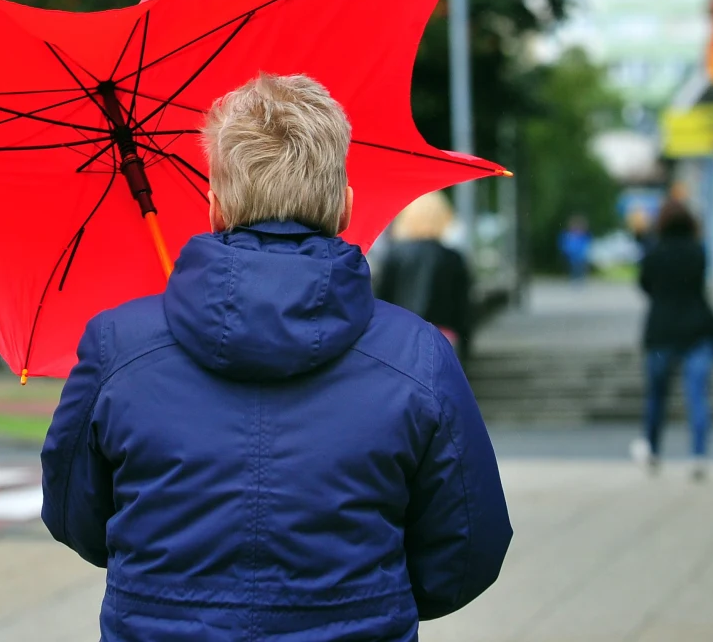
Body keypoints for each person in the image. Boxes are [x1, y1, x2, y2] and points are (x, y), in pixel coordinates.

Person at [41, 74, 512, 641]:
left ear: (214, 208)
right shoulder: (417, 355)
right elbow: (466, 551)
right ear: (345, 206)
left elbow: (77, 517)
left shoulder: (118, 346)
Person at [634, 199, 713, 480]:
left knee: (657, 396)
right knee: (697, 395)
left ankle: (653, 450)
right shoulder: (698, 252)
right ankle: (698, 455)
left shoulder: (654, 253)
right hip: (697, 329)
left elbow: (644, 285)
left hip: (661, 331)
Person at [374, 191, 472, 359]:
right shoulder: (453, 258)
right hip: (443, 340)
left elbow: (381, 302)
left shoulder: (393, 256)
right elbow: (462, 310)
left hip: (401, 339)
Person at [558, 215, 591, 283]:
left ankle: (579, 279)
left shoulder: (583, 236)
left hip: (581, 255)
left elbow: (586, 245)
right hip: (573, 255)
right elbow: (565, 244)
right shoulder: (569, 235)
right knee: (574, 267)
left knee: (580, 267)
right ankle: (575, 279)